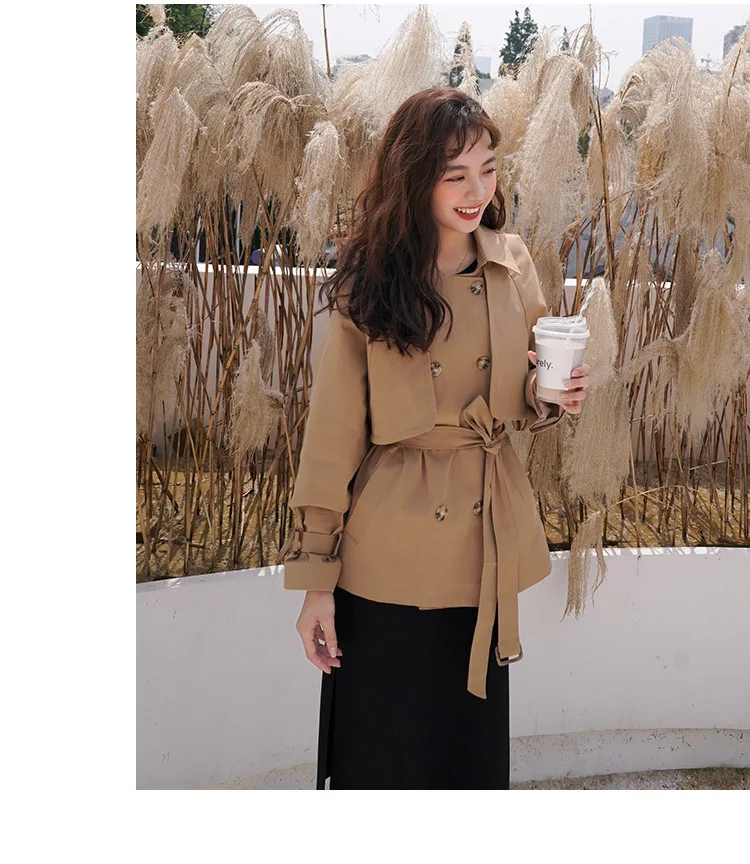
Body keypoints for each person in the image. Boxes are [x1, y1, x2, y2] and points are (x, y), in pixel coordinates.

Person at [279, 88, 590, 789]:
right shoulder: (372, 281)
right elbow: (330, 440)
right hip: (385, 553)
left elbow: (525, 386)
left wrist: (552, 396)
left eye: (489, 169)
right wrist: (317, 583)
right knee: (381, 763)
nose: (478, 191)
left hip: (482, 549)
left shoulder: (512, 265)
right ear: (415, 178)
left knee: (464, 764)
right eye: (456, 176)